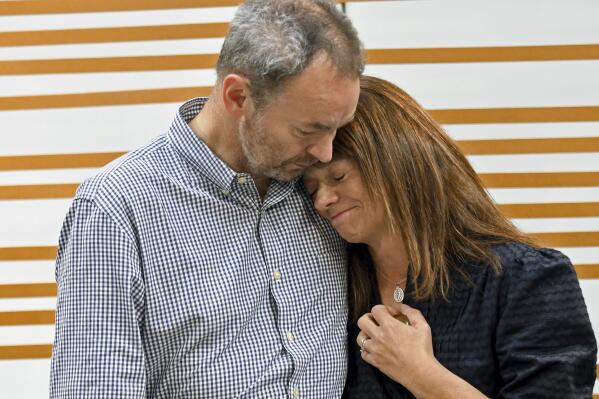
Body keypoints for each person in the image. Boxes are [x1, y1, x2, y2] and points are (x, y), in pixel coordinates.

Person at [49, 1, 363, 397]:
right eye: (308, 130)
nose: (325, 152)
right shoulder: (116, 210)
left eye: (337, 128)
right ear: (237, 97)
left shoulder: (323, 193)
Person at [303, 75, 597, 398]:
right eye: (312, 188)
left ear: (397, 160)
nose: (323, 200)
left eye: (338, 176)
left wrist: (420, 373)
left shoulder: (529, 280)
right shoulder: (333, 290)